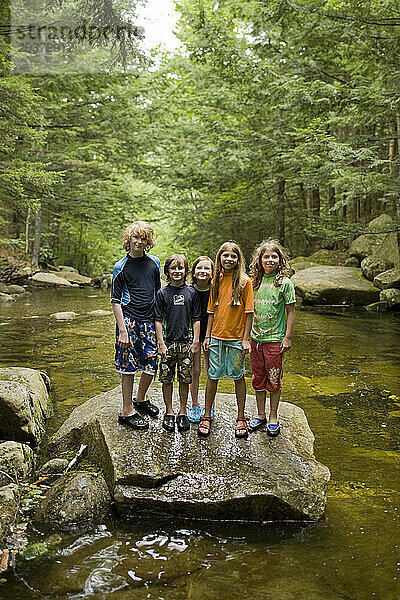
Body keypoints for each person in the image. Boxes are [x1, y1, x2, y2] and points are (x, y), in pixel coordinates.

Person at [198, 241, 254, 439]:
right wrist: (207, 336)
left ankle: (241, 417)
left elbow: (249, 313)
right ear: (219, 258)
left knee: (238, 376)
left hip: (237, 338)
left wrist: (246, 339)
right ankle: (206, 415)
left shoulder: (244, 282)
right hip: (216, 338)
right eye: (225, 256)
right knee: (212, 376)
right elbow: (211, 311)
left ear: (239, 259)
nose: (229, 259)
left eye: (233, 256)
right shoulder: (216, 281)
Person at [111, 220, 161, 431]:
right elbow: (115, 300)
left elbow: (158, 294)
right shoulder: (120, 267)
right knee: (129, 366)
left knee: (151, 363)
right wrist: (122, 330)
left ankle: (140, 399)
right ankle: (126, 410)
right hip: (129, 321)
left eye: (143, 238)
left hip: (149, 320)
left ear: (148, 241)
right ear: (128, 240)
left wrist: (161, 328)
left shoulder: (155, 263)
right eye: (136, 237)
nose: (139, 241)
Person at [248, 239, 296, 437]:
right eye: (266, 256)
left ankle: (273, 416)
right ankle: (260, 415)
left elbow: (291, 312)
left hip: (275, 340)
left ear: (280, 260)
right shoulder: (254, 282)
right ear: (259, 260)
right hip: (255, 339)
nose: (270, 260)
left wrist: (288, 337)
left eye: (273, 257)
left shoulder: (285, 283)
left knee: (274, 379)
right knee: (258, 378)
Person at [155, 254, 201, 433]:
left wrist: (196, 340)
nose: (177, 271)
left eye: (180, 268)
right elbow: (158, 319)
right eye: (173, 268)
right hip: (167, 342)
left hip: (186, 343)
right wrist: (160, 343)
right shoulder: (162, 293)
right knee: (167, 379)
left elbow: (196, 318)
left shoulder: (191, 292)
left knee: (185, 379)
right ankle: (169, 411)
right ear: (167, 271)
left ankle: (182, 411)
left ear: (186, 271)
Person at [187, 256, 215, 424]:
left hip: (212, 333)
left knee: (211, 371)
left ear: (212, 272)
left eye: (207, 268)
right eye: (199, 268)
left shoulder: (215, 289)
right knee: (195, 370)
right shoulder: (189, 290)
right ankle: (195, 404)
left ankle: (209, 405)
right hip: (194, 335)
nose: (203, 271)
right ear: (194, 271)